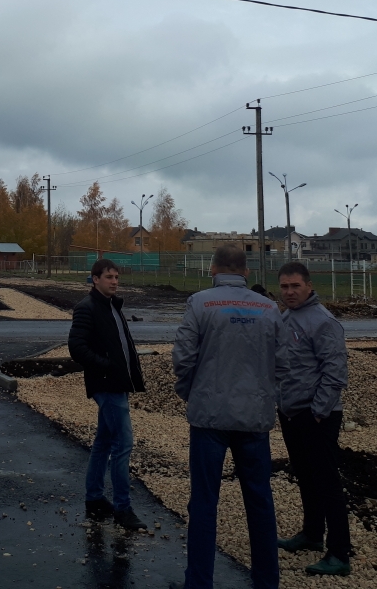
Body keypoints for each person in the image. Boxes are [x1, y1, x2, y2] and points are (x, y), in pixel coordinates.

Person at [170, 244, 288, 589]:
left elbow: (183, 357)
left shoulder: (200, 303)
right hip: (254, 418)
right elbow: (283, 364)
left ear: (213, 269)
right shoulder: (269, 308)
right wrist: (266, 395)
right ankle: (267, 581)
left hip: (209, 418)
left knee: (204, 503)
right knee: (260, 501)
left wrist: (190, 392)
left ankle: (199, 583)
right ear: (247, 272)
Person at [275, 261, 352, 576]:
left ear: (308, 285)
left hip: (316, 415)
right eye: (284, 287)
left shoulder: (323, 322)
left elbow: (335, 373)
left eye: (295, 286)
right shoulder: (286, 318)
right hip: (291, 413)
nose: (289, 292)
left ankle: (339, 553)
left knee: (327, 483)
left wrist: (318, 412)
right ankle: (311, 534)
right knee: (305, 477)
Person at [68, 257, 148, 531]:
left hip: (117, 384)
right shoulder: (87, 308)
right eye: (109, 277)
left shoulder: (113, 306)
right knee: (122, 445)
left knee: (103, 442)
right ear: (95, 279)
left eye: (116, 277)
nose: (115, 282)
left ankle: (94, 499)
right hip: (107, 386)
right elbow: (76, 347)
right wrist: (106, 366)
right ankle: (123, 509)